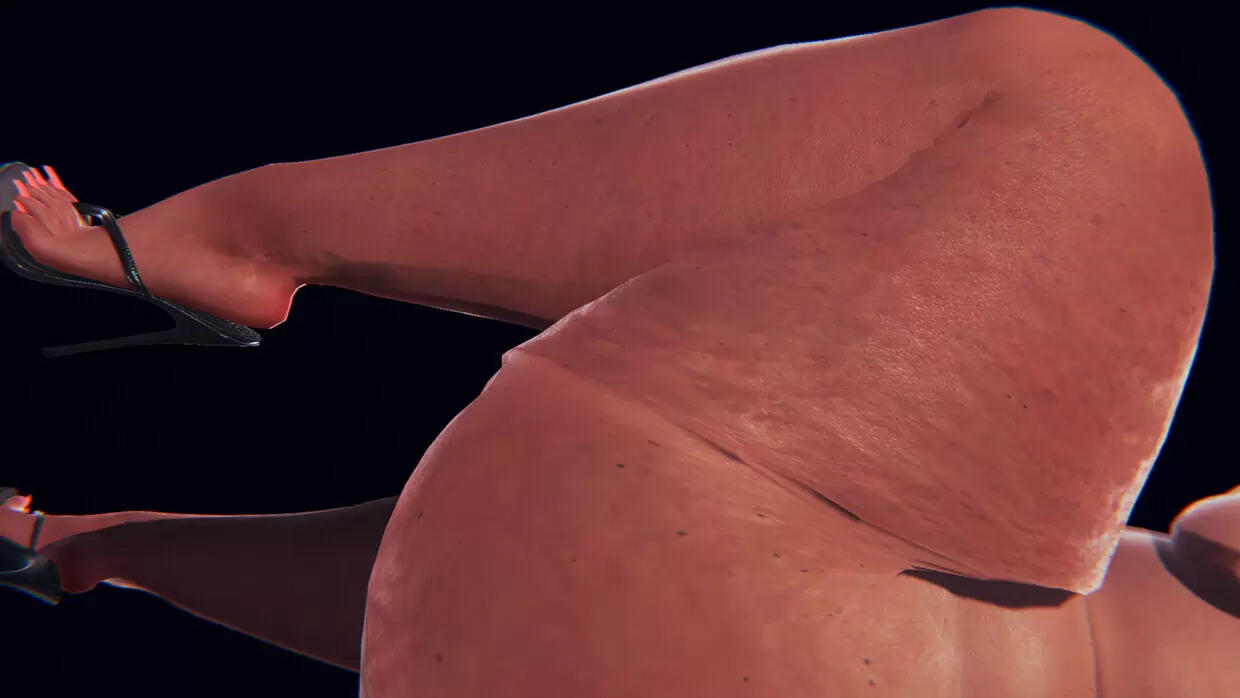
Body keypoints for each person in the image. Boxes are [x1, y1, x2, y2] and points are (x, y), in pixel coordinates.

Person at [1, 7, 1232, 697]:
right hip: (584, 639)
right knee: (640, 564)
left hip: (771, 613)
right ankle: (82, 545)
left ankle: (239, 236)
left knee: (1085, 114)